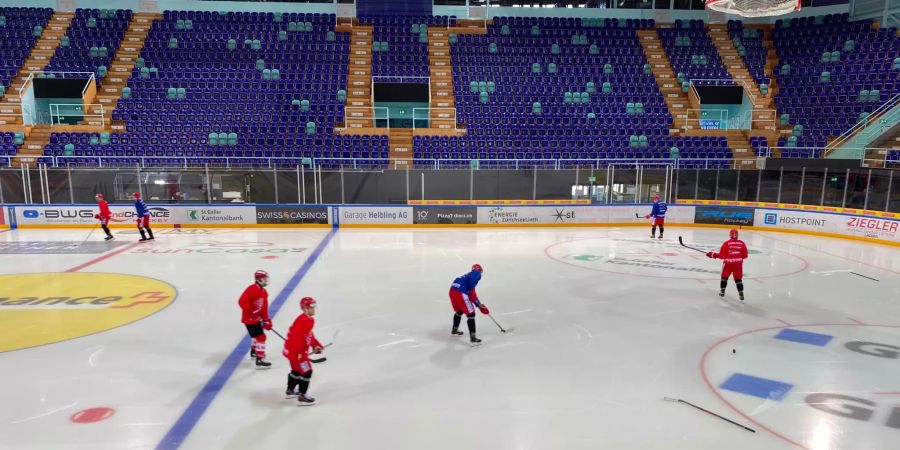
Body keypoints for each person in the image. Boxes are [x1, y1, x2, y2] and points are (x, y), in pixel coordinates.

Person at [283, 297, 323, 405]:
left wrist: (315, 345)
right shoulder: (304, 320)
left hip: (290, 351)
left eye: (314, 306)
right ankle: (302, 395)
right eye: (311, 307)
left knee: (296, 371)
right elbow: (296, 338)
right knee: (307, 372)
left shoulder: (306, 319)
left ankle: (290, 390)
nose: (314, 309)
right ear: (305, 308)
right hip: (296, 352)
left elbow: (308, 335)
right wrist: (300, 353)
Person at [239, 270, 272, 369]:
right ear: (259, 280)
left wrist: (266, 319)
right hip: (249, 319)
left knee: (256, 337)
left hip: (256, 319)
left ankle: (254, 352)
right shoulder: (252, 289)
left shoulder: (264, 292)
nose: (266, 281)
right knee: (261, 337)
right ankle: (260, 359)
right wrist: (251, 311)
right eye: (264, 279)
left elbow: (264, 307)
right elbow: (242, 301)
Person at [449, 264, 490, 345]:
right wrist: (479, 305)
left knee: (459, 311)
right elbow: (472, 291)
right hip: (460, 293)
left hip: (452, 291)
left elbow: (471, 294)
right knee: (471, 314)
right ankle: (473, 338)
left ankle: (454, 330)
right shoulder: (476, 273)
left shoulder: (465, 276)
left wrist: (478, 304)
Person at [706, 229, 749, 301]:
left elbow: (721, 256)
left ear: (730, 235)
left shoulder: (726, 243)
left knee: (724, 278)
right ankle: (741, 294)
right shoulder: (742, 243)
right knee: (738, 280)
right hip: (738, 265)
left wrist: (712, 254)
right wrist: (737, 257)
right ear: (737, 235)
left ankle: (722, 292)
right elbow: (745, 256)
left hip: (728, 264)